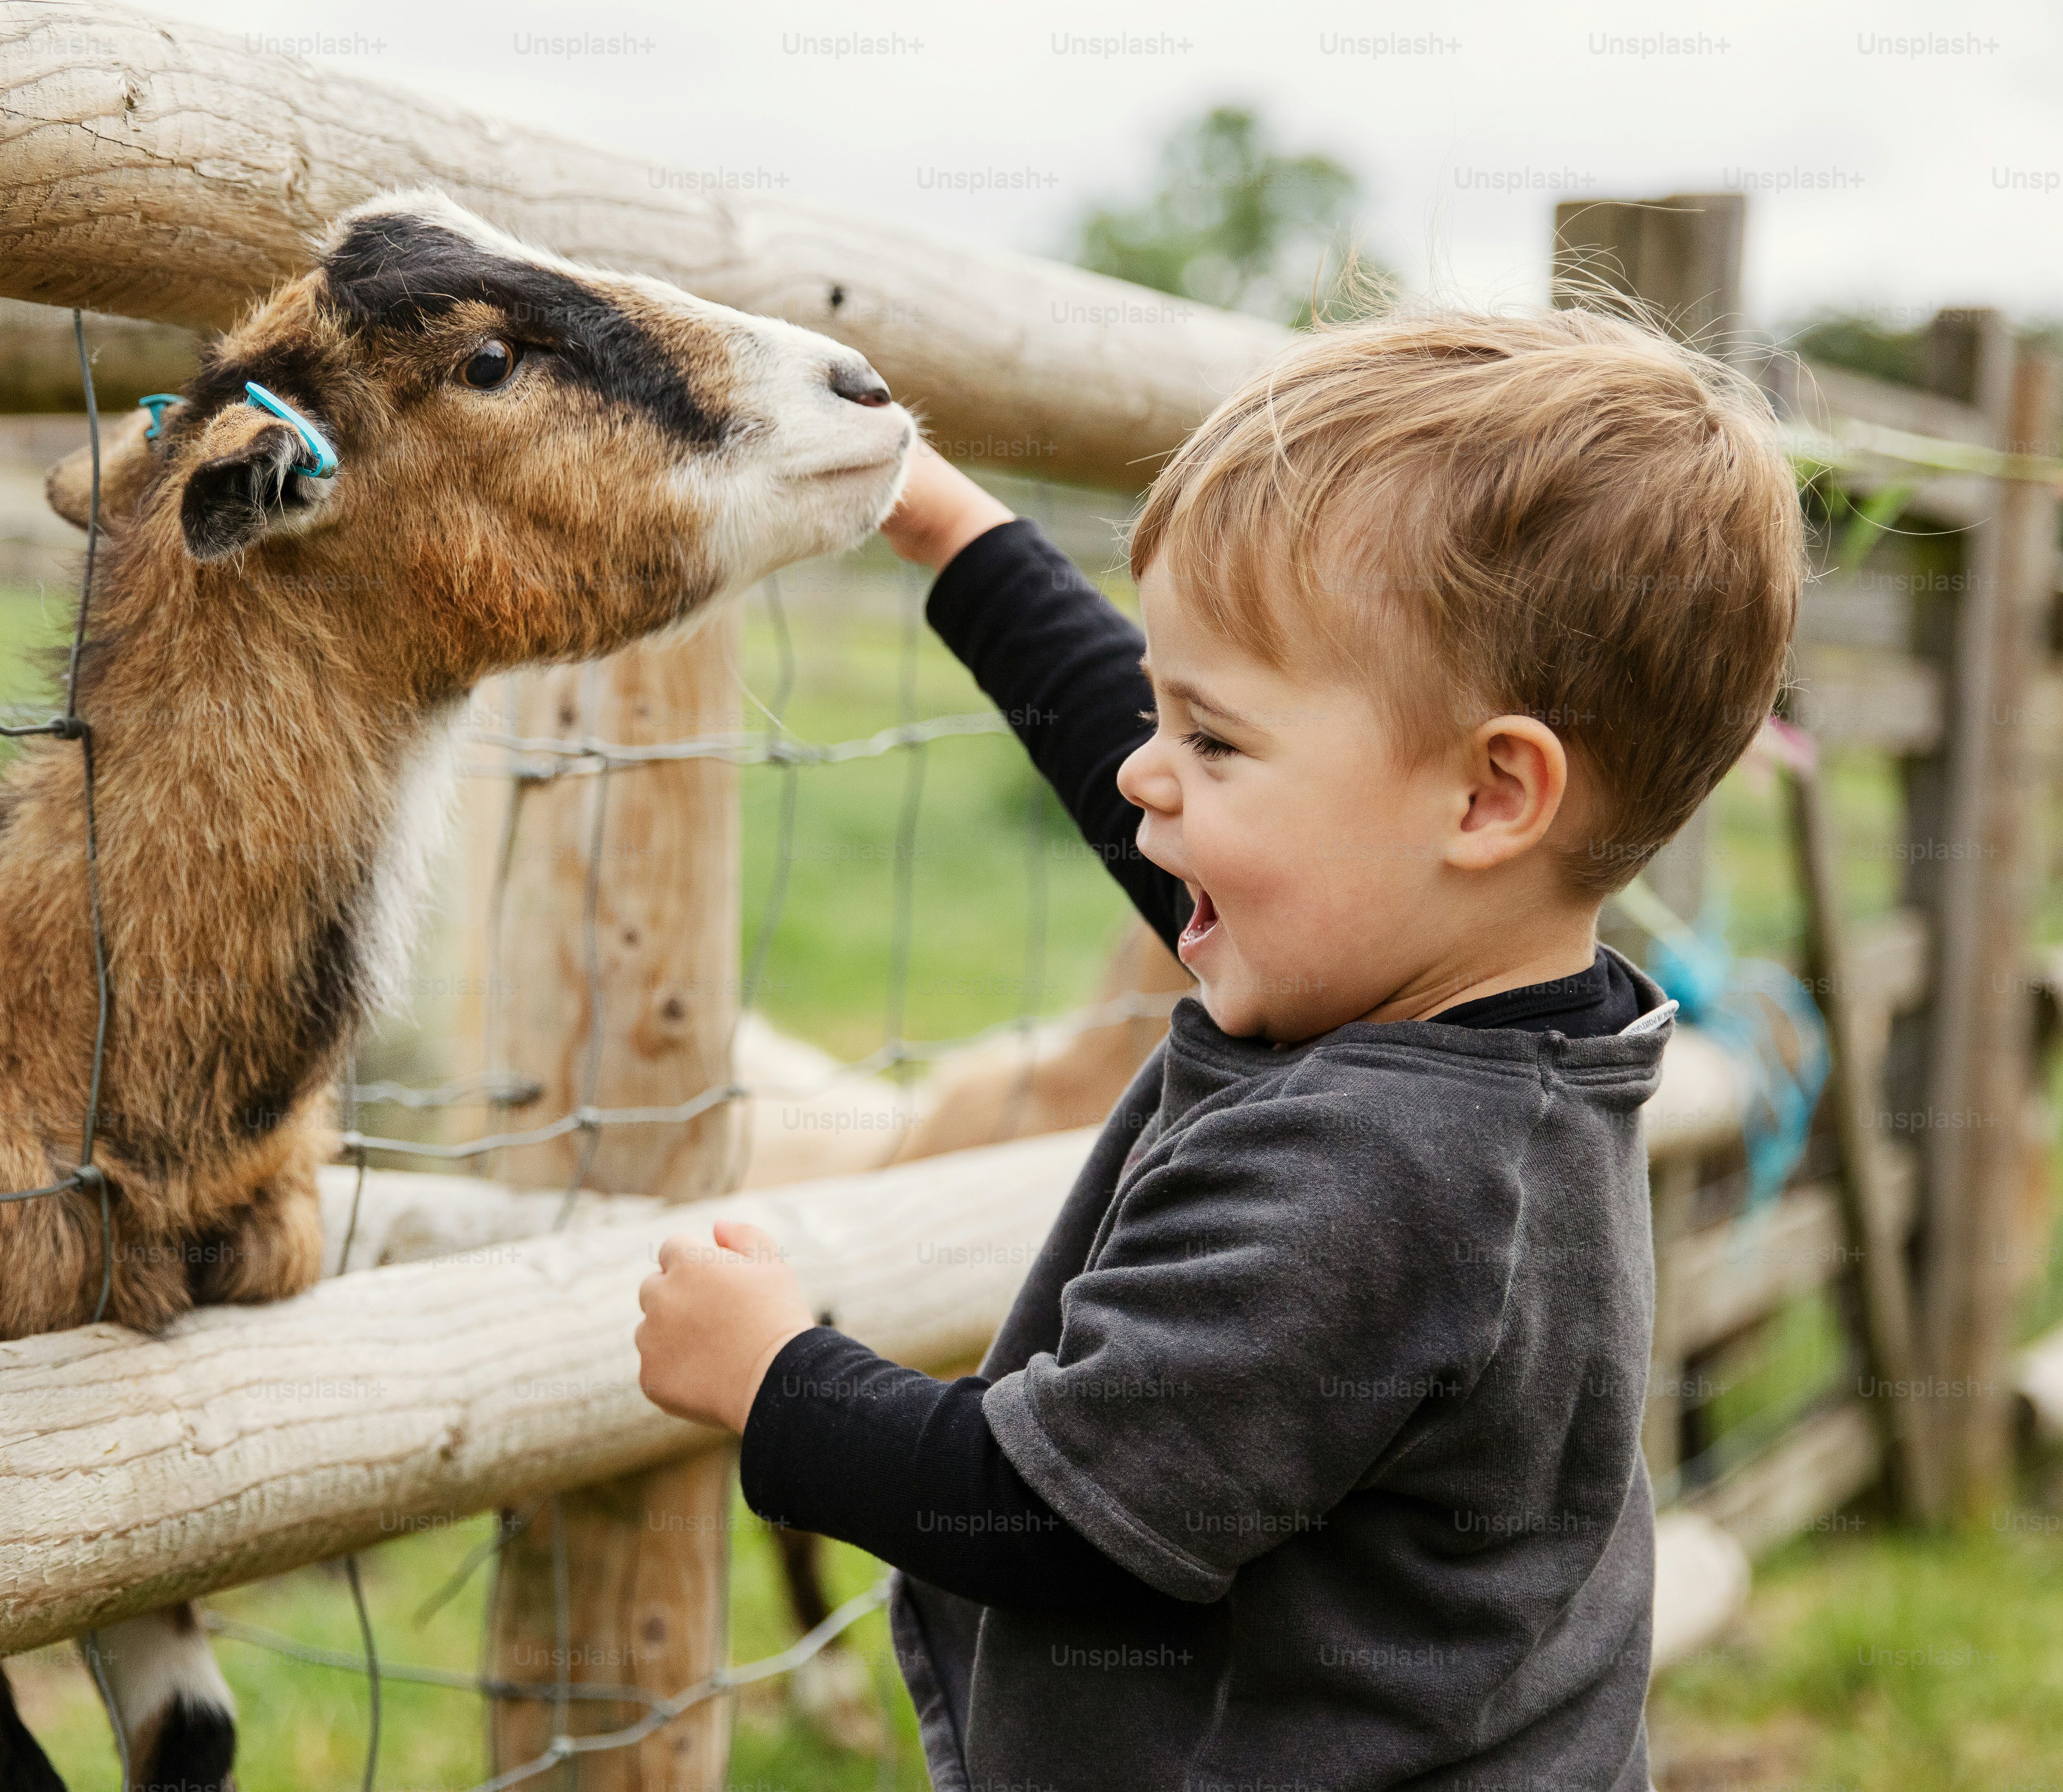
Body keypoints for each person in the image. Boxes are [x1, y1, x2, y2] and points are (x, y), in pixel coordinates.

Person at [633, 307, 1803, 1790]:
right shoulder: (1479, 1019)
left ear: (1492, 797)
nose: (1144, 773)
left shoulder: (1384, 1173)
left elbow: (1056, 1515)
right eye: (1163, 714)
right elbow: (1147, 762)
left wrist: (778, 1380)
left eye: (1214, 741)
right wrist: (950, 525)